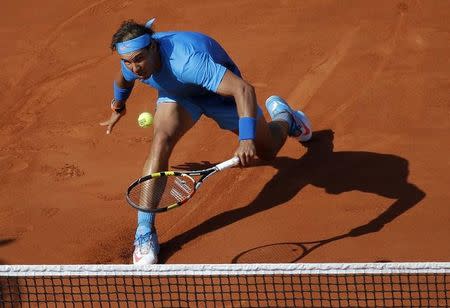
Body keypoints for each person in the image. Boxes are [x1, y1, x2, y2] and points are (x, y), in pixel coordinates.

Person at [100, 18, 312, 265]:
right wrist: (118, 105)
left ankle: (286, 117)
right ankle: (145, 233)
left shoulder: (187, 62)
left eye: (138, 59)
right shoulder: (132, 62)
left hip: (221, 96)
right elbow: (123, 81)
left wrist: (246, 138)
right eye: (128, 61)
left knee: (269, 150)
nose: (135, 68)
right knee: (160, 141)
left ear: (153, 48)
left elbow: (244, 90)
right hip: (180, 95)